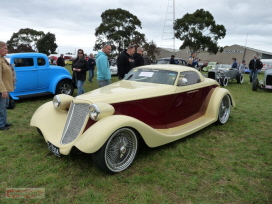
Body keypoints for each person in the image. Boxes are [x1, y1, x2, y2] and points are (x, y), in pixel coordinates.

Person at [0, 41, 15, 130]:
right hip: (2, 89)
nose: (7, 50)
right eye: (5, 48)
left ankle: (4, 122)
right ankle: (1, 125)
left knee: (4, 106)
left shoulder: (3, 60)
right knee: (1, 107)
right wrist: (3, 90)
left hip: (5, 88)